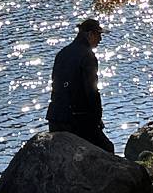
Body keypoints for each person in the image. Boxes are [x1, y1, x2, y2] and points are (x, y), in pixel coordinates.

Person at [46, 18, 114, 153]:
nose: (100, 39)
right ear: (90, 35)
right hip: (76, 119)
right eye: (98, 35)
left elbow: (57, 86)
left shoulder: (62, 53)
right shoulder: (88, 56)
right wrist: (97, 118)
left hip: (55, 116)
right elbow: (91, 91)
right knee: (107, 149)